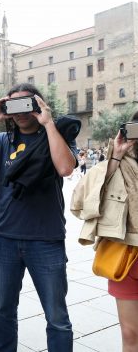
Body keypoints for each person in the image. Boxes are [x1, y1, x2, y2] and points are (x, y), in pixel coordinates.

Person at [0, 83, 80, 352]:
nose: (19, 112)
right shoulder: (3, 140)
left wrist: (48, 122)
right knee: (4, 312)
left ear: (38, 104)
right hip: (5, 238)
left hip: (46, 238)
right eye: (12, 106)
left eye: (26, 104)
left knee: (56, 316)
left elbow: (64, 167)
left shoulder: (58, 136)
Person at [72, 111, 138, 352]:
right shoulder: (113, 164)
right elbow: (80, 204)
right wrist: (115, 159)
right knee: (130, 333)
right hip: (125, 257)